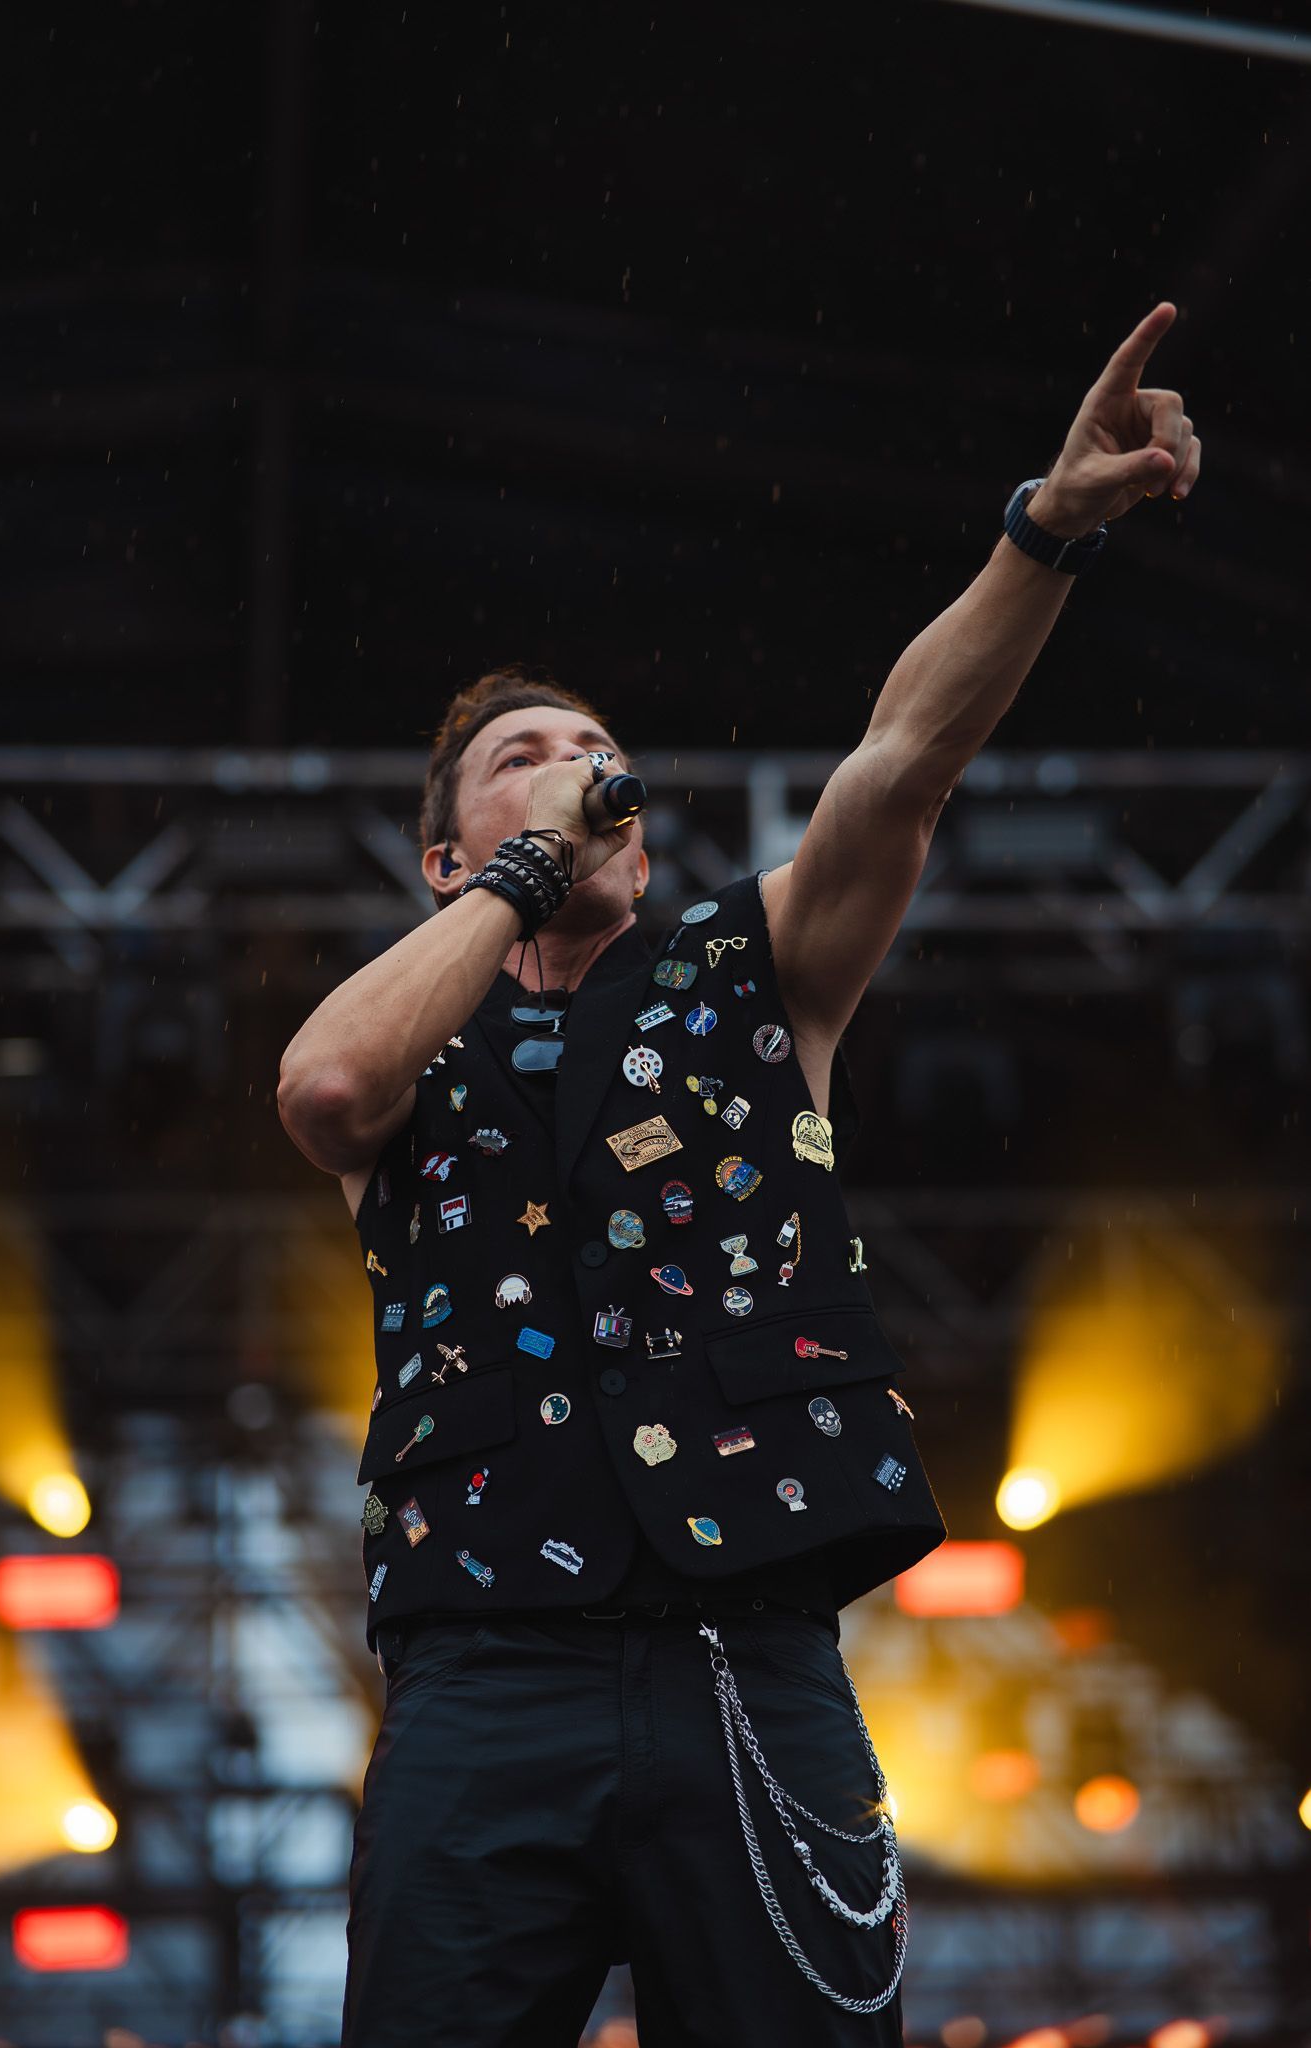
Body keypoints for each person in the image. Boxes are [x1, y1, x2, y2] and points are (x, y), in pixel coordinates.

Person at [277, 303, 1199, 2046]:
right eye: (518, 759)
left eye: (588, 748)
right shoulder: (414, 1032)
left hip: (744, 1652)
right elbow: (325, 1086)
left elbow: (902, 763)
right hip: (486, 1670)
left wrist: (1047, 528)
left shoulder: (747, 965)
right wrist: (518, 886)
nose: (569, 768)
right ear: (441, 851)